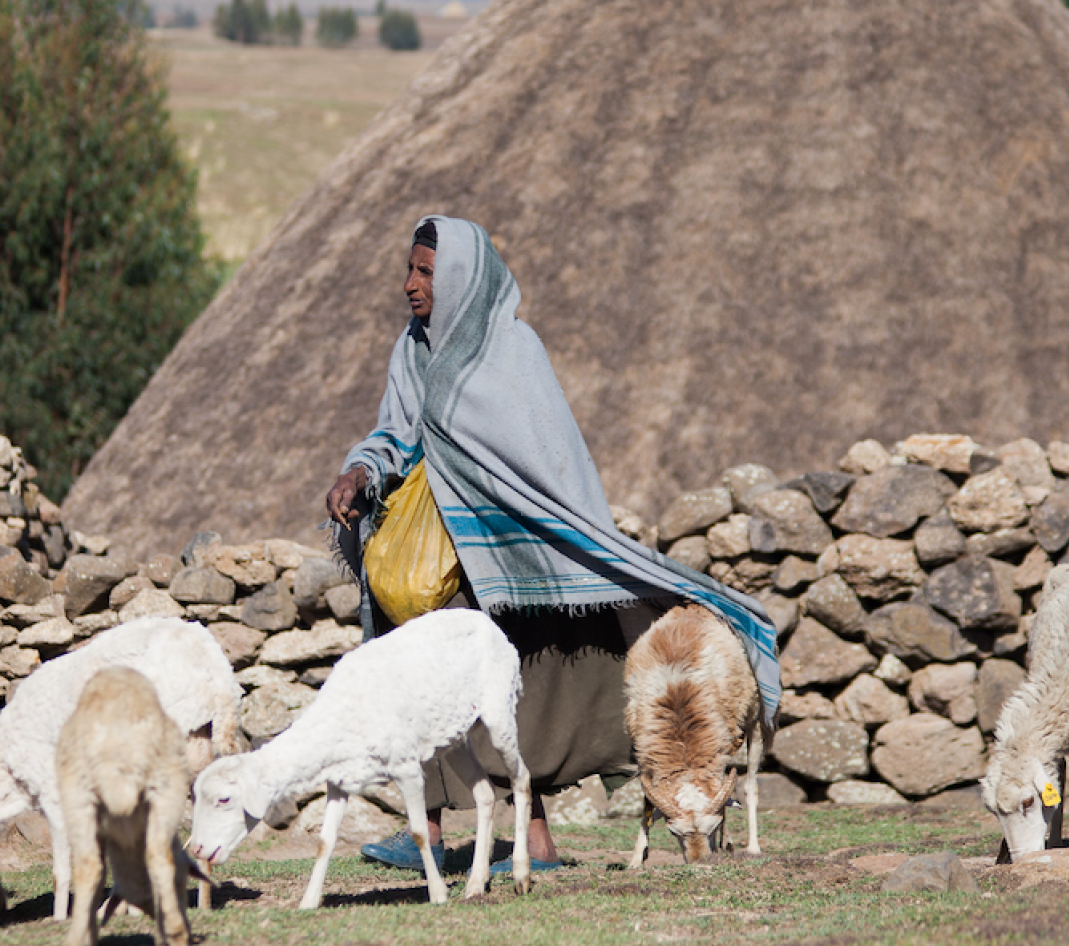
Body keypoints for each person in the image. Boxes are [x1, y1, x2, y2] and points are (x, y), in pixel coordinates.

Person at [325, 215, 780, 874]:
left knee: (517, 693)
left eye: (425, 270)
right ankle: (425, 831)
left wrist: (527, 523)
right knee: (423, 687)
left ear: (456, 277)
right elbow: (395, 432)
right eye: (411, 269)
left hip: (508, 552)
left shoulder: (513, 351)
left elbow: (547, 463)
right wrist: (362, 470)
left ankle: (533, 840)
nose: (409, 284)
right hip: (438, 558)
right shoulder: (413, 349)